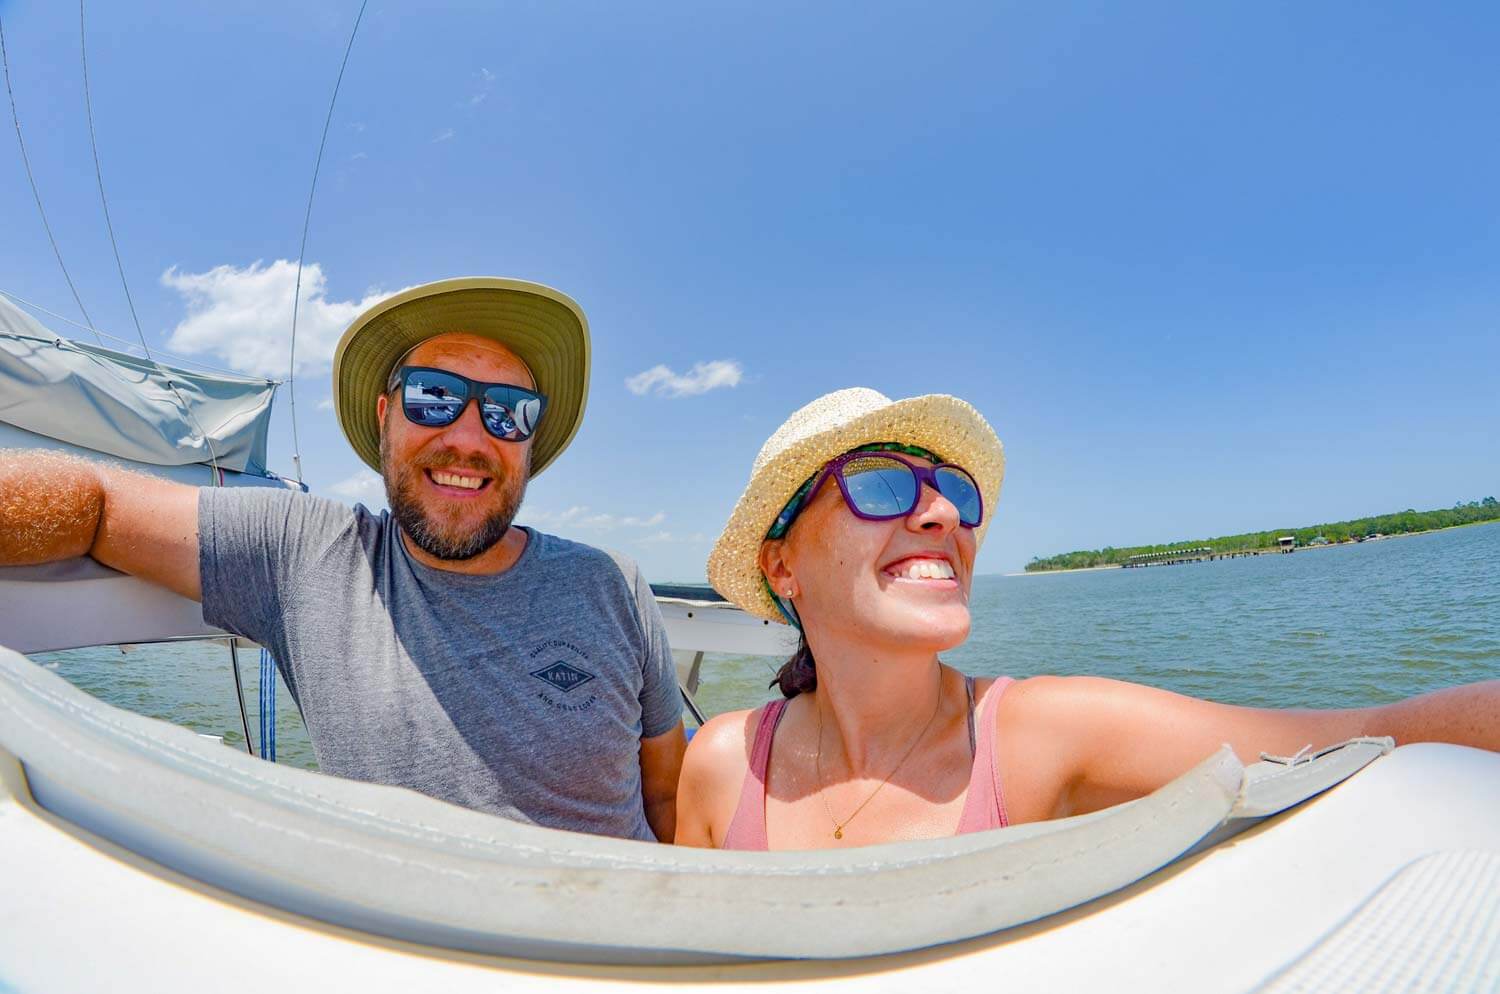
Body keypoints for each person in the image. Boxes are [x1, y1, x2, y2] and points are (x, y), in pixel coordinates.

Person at [0, 277, 685, 842]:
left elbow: (667, 798)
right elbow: (96, 505)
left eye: (509, 413)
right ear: (386, 414)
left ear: (528, 443)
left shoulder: (612, 584)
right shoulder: (305, 554)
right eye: (435, 397)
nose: (470, 437)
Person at [675, 387, 1498, 849]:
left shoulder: (1040, 734)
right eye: (883, 483)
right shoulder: (721, 763)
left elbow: (1382, 729)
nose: (942, 516)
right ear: (782, 564)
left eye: (955, 491)